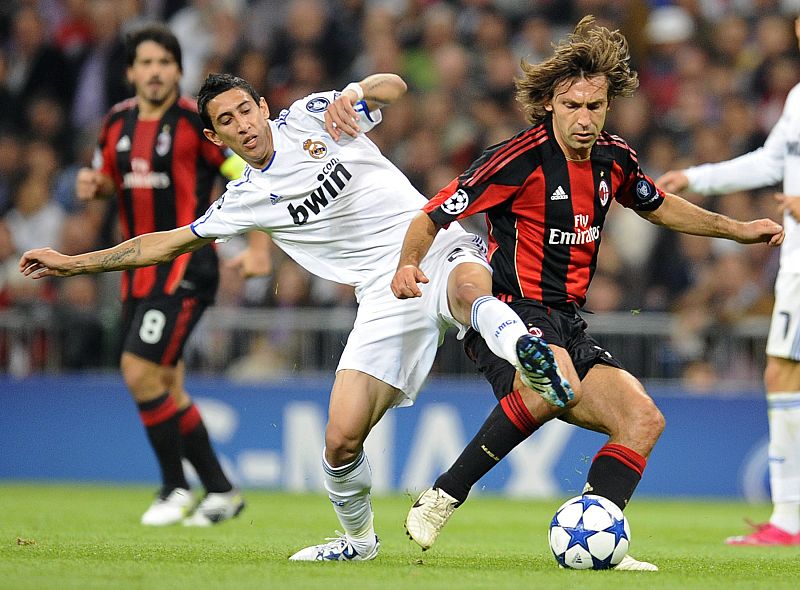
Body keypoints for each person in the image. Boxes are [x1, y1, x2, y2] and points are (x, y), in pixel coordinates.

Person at [20, 71, 562, 561]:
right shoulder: (244, 199)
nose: (242, 125)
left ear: (261, 106)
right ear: (216, 138)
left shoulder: (312, 115)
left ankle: (524, 352)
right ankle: (358, 543)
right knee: (340, 440)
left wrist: (355, 93)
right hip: (380, 297)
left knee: (470, 288)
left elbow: (394, 86)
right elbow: (163, 245)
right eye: (225, 122)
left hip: (427, 247)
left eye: (245, 110)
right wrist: (73, 264)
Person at [392, 15, 784, 570]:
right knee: (554, 382)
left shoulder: (613, 158)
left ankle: (598, 532)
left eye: (595, 107)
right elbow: (433, 212)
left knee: (643, 419)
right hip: (510, 313)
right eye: (573, 106)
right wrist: (409, 265)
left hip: (567, 321)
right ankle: (444, 495)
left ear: (608, 105)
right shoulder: (517, 160)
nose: (584, 119)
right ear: (551, 102)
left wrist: (737, 230)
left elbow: (661, 206)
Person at [74, 24, 270, 527]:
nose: (155, 71)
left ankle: (174, 487)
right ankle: (222, 491)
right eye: (146, 62)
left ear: (178, 71)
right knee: (168, 387)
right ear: (131, 72)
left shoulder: (195, 123)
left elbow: (248, 175)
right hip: (137, 274)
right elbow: (104, 183)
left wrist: (258, 246)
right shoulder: (114, 124)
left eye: (165, 62)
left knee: (138, 371)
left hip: (186, 267)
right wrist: (93, 186)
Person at [657, 14, 800, 548]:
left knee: (784, 376)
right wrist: (700, 178)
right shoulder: (797, 100)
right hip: (794, 267)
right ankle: (787, 517)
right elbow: (771, 162)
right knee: (782, 375)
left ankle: (789, 517)